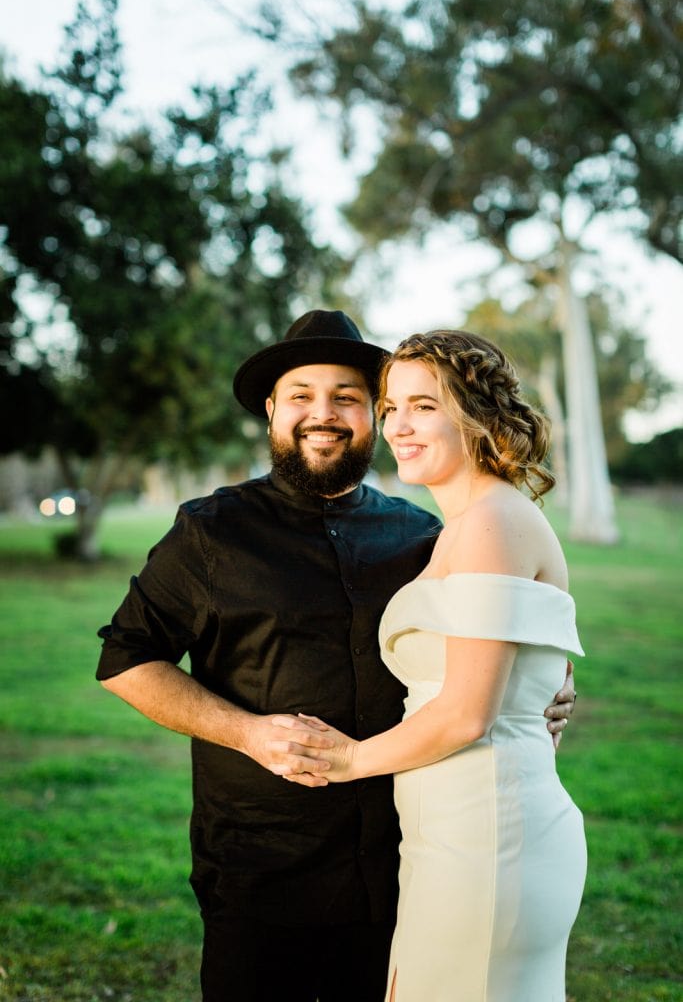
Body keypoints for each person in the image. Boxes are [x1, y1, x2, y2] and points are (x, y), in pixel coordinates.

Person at [95, 311, 577, 1002]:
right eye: (300, 395)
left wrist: (541, 694)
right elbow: (124, 658)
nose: (323, 414)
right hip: (261, 866)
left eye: (347, 397)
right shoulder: (211, 531)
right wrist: (248, 733)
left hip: (404, 859)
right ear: (270, 410)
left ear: (370, 417)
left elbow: (503, 635)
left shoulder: (424, 534)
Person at [274, 329, 586, 1002]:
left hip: (488, 838)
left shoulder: (490, 524)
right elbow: (535, 672)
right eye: (390, 407)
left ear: (475, 415)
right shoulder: (467, 524)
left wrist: (345, 760)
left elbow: (469, 712)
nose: (397, 426)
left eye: (423, 406)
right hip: (450, 831)